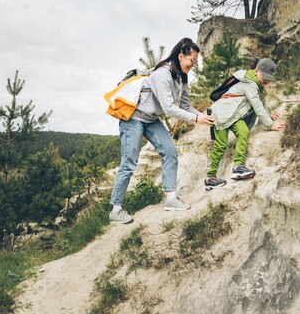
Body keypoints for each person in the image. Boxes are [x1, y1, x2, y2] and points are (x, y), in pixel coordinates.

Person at [109, 38, 214, 223]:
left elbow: (185, 105)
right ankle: (116, 210)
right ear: (181, 56)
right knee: (129, 162)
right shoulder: (162, 74)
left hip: (151, 119)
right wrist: (196, 119)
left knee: (170, 151)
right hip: (133, 118)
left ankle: (171, 199)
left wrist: (203, 116)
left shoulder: (182, 77)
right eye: (192, 60)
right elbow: (168, 108)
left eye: (196, 62)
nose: (193, 65)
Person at [204, 58, 284, 190]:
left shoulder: (257, 85)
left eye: (268, 80)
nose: (265, 83)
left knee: (243, 132)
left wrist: (268, 114)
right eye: (264, 79)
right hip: (220, 115)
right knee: (221, 144)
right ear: (256, 71)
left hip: (234, 116)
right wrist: (270, 125)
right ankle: (210, 178)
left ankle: (238, 167)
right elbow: (257, 106)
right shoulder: (249, 83)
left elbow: (260, 102)